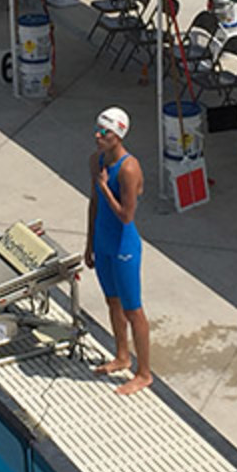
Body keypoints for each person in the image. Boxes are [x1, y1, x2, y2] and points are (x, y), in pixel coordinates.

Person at [85, 107, 152, 396]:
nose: (98, 136)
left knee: (132, 310)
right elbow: (94, 203)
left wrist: (105, 187)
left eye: (105, 132)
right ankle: (122, 356)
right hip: (103, 242)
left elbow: (126, 215)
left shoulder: (128, 168)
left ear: (119, 134)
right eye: (98, 130)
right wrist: (89, 244)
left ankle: (144, 373)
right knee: (111, 301)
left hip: (124, 246)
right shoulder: (95, 160)